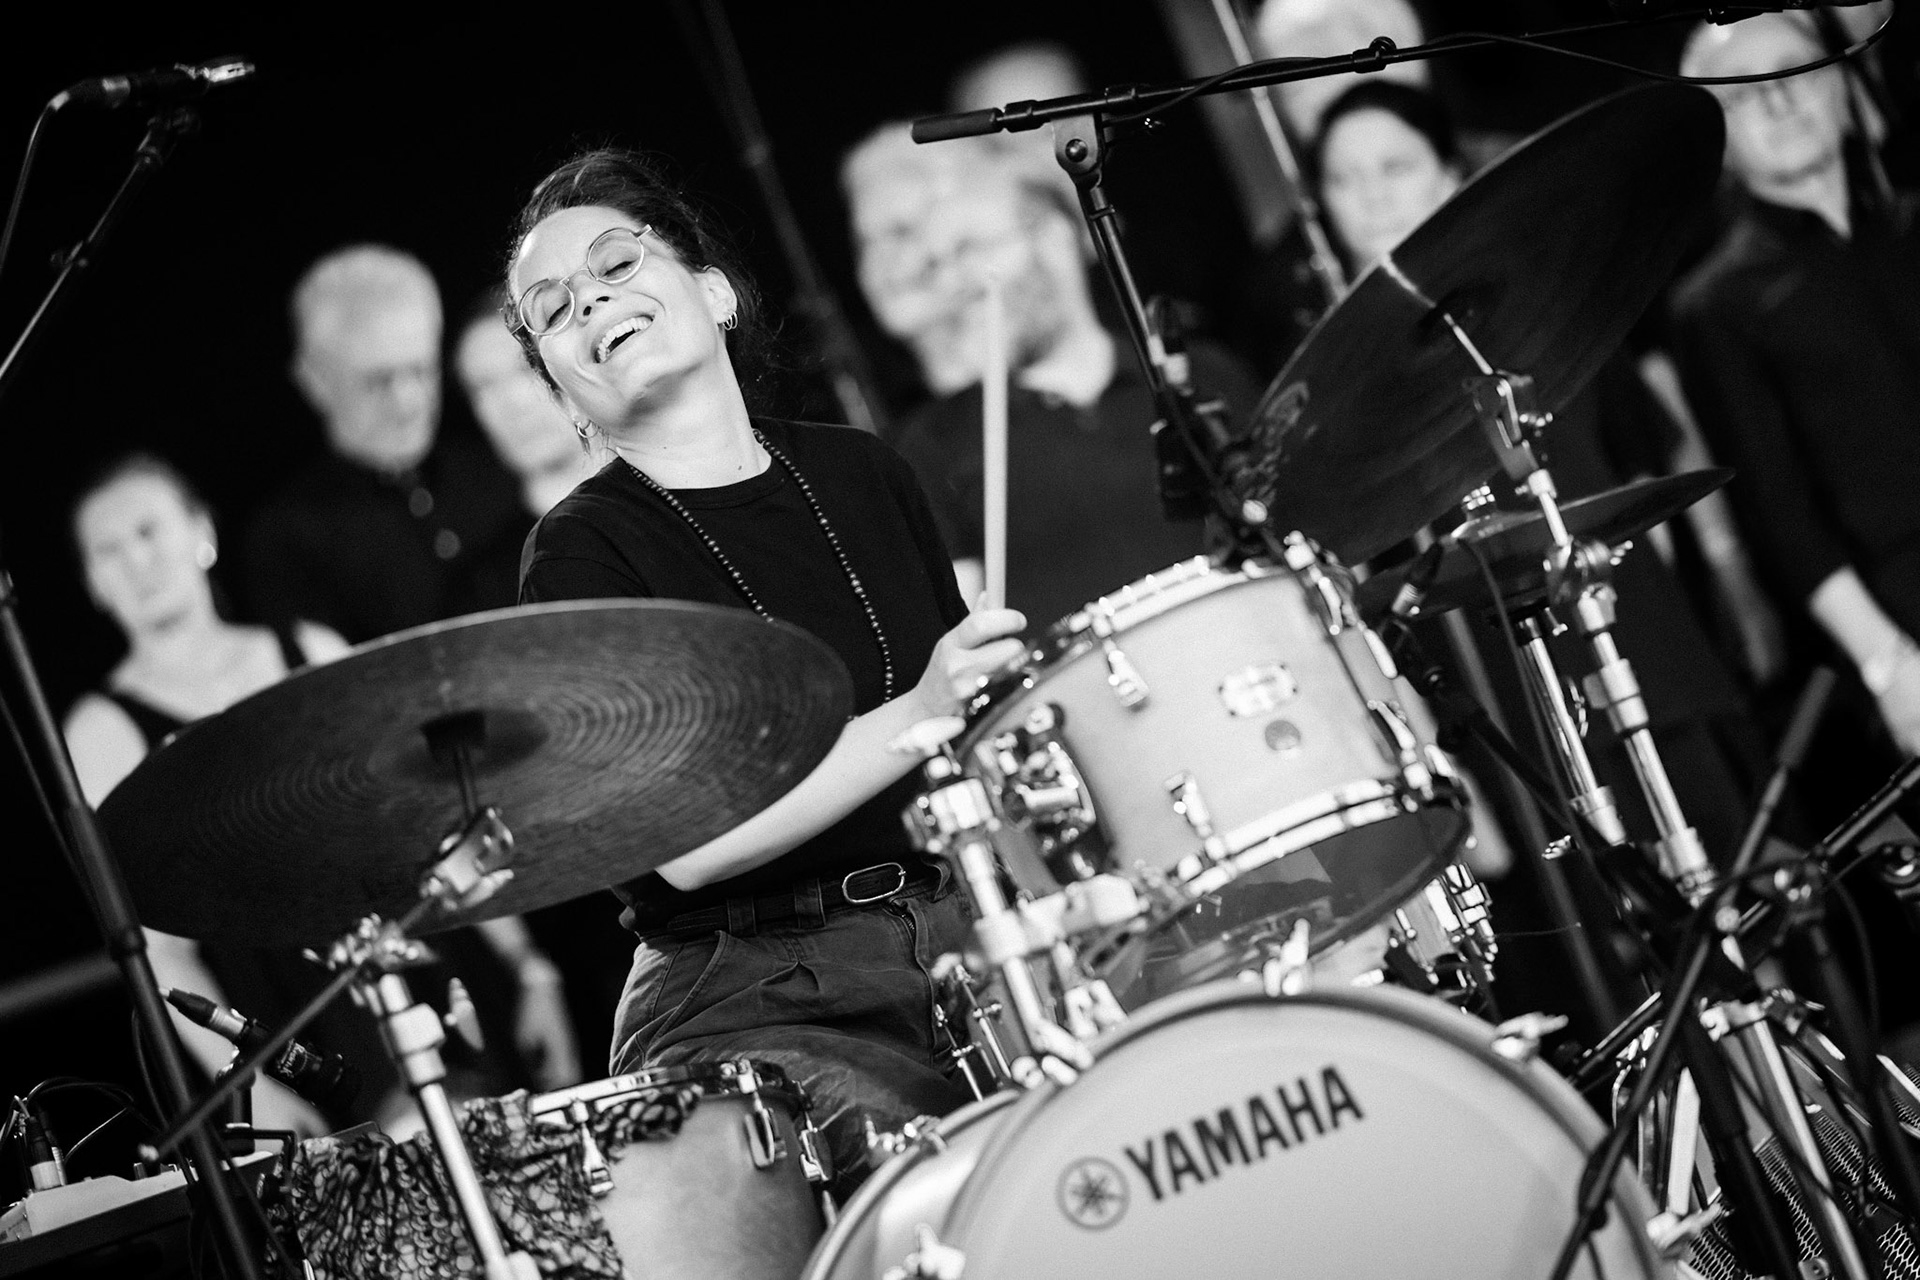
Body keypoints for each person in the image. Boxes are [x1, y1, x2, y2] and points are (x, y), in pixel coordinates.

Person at [509, 147, 1027, 1196]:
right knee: (950, 1194)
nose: (591, 300)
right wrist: (924, 710)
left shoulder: (864, 472)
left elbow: (970, 754)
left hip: (952, 936)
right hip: (754, 992)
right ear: (565, 390)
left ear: (715, 292)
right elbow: (691, 851)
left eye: (616, 262)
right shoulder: (579, 555)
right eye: (552, 309)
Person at [851, 126, 1263, 627]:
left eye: (972, 248)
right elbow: (959, 634)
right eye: (943, 262)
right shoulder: (932, 444)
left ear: (1053, 235)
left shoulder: (1201, 374)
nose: (956, 282)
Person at [63, 455, 349, 1135]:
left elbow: (422, 822)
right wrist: (253, 1086)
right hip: (277, 1022)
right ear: (93, 583)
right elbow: (161, 951)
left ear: (201, 533)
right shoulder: (101, 730)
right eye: (108, 550)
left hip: (399, 974)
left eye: (148, 531)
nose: (137, 561)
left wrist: (527, 969)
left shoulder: (309, 648)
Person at [1671, 13, 1920, 762]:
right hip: (1902, 615)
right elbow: (1780, 517)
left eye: (1793, 72)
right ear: (1716, 138)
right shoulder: (1716, 307)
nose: (1779, 101)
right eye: (1745, 92)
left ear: (1841, 83)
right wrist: (1888, 663)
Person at [244, 244, 527, 644]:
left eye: (421, 370)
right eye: (378, 381)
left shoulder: (498, 468)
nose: (408, 401)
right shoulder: (288, 540)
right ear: (315, 380)